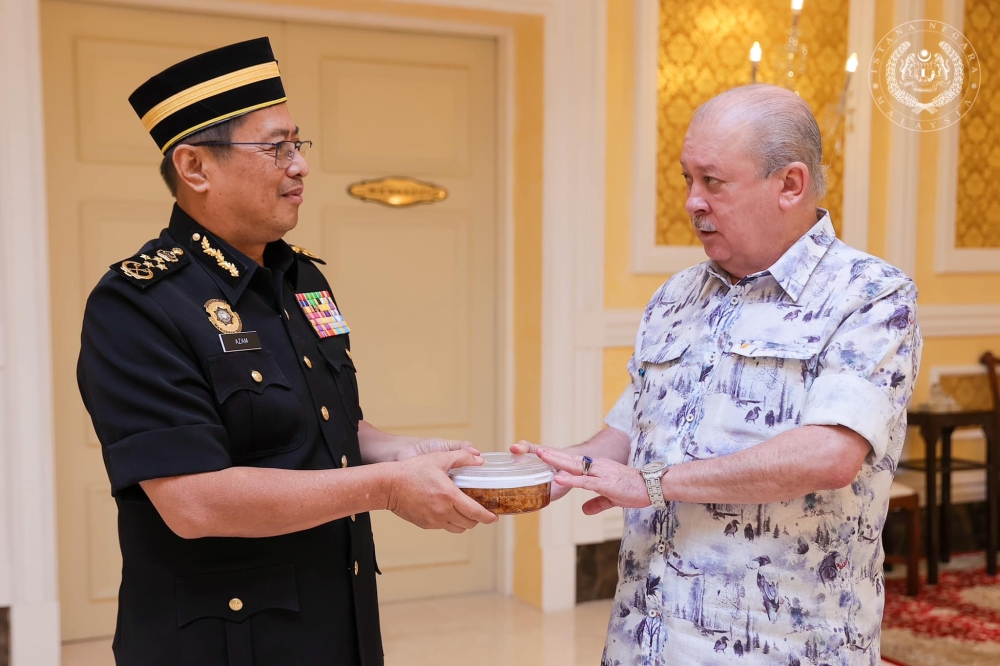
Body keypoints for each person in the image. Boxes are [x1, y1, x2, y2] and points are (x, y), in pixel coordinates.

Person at [77, 37, 497, 666]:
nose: (300, 166)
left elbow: (323, 425)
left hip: (334, 619)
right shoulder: (137, 304)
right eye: (276, 148)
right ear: (195, 167)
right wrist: (385, 486)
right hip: (224, 641)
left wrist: (405, 453)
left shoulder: (300, 279)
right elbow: (193, 501)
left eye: (298, 145)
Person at [514, 84, 922, 665]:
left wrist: (655, 483)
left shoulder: (871, 296)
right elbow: (635, 427)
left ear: (790, 184)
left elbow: (827, 456)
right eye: (687, 179)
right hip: (644, 640)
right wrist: (564, 470)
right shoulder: (676, 295)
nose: (692, 202)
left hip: (780, 648)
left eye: (713, 181)